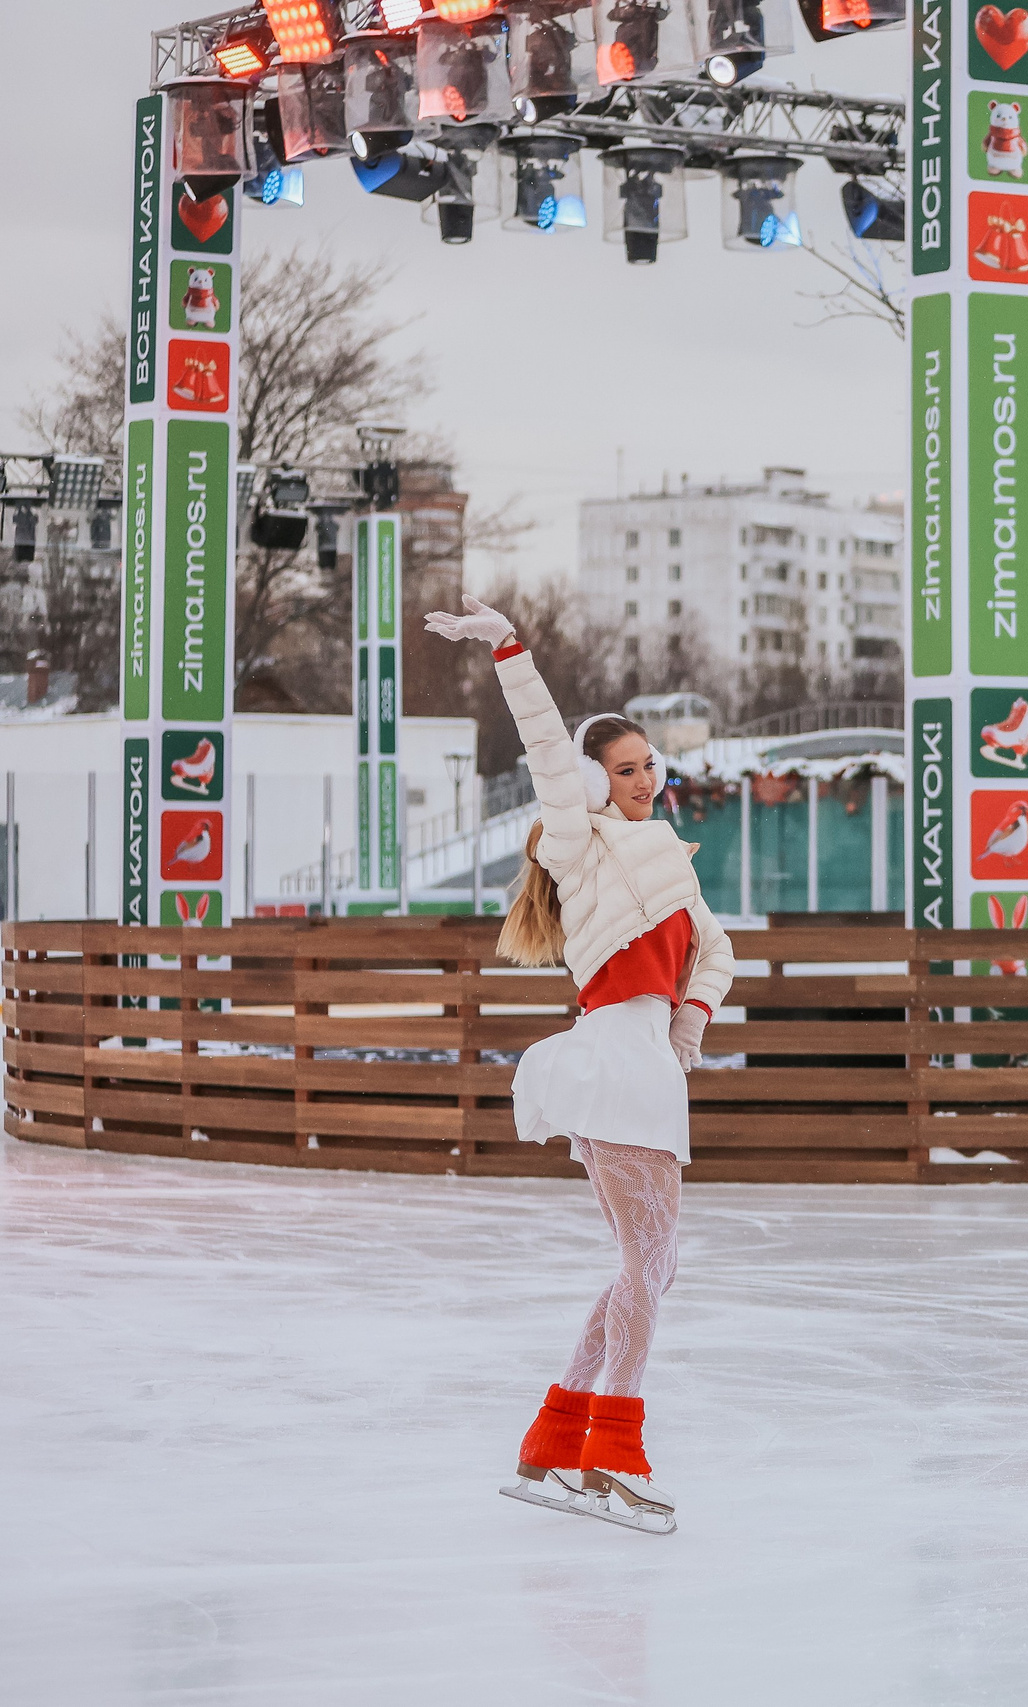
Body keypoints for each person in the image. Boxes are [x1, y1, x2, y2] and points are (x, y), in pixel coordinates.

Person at [425, 592, 733, 1535]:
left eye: (651, 766)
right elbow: (550, 749)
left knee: (650, 1265)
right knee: (651, 1263)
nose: (645, 780)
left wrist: (686, 1029)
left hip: (645, 1064)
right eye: (627, 769)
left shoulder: (670, 866)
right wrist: (508, 648)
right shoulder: (581, 843)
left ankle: (557, 1437)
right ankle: (614, 1453)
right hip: (611, 1064)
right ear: (598, 785)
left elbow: (716, 955)